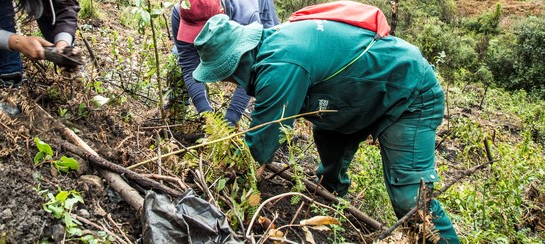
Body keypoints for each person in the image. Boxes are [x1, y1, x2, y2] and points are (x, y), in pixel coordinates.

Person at [192, 14, 460, 243]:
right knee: (328, 173)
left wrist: (231, 186)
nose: (224, 81)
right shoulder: (270, 46)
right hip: (352, 100)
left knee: (409, 200)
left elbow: (262, 142)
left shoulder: (280, 66)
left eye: (222, 73)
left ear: (236, 60)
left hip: (408, 92)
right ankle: (332, 214)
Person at [170, 0, 279, 126]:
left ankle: (274, 121)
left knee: (268, 58)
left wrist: (230, 120)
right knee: (178, 56)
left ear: (221, 14)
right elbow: (188, 62)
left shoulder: (247, 17)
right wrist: (206, 113)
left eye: (202, 30)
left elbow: (254, 69)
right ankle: (176, 108)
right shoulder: (182, 11)